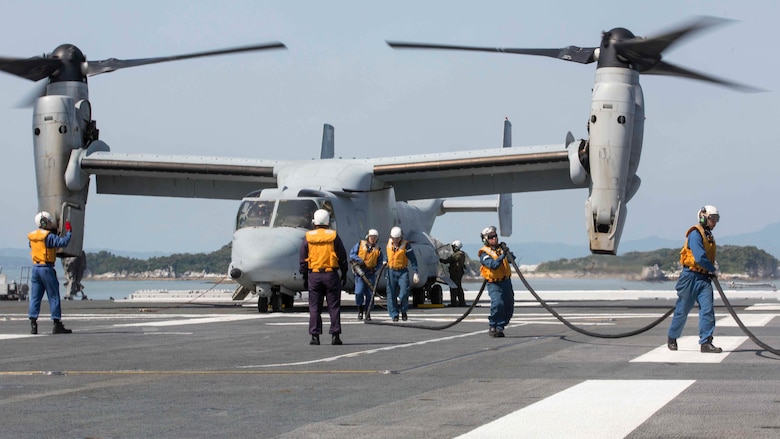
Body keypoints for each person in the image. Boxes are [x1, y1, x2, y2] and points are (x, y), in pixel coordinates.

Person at [667, 205, 723, 353]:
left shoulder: (708, 235)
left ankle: (705, 342)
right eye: (713, 219)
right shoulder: (695, 234)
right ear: (704, 217)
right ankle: (672, 336)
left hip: (704, 279)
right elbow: (699, 257)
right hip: (690, 277)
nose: (714, 222)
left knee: (707, 310)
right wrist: (712, 268)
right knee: (682, 310)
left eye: (717, 219)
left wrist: (709, 270)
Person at [299, 209, 348, 346]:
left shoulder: (308, 237)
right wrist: (344, 272)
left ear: (314, 222)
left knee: (314, 307)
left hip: (314, 274)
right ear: (328, 222)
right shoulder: (333, 236)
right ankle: (335, 335)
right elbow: (342, 256)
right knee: (334, 306)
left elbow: (303, 257)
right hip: (331, 274)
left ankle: (315, 336)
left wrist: (304, 275)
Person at [27, 211, 73, 335]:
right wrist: (69, 232)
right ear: (44, 222)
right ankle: (57, 324)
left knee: (35, 297)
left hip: (36, 268)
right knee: (53, 296)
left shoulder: (32, 236)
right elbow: (62, 243)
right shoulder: (49, 236)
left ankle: (33, 324)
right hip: (46, 268)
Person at [478, 226, 514, 337]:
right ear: (485, 239)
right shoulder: (484, 253)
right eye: (491, 237)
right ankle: (494, 325)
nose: (494, 239)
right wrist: (503, 255)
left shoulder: (501, 249)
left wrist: (507, 253)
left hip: (506, 282)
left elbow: (511, 259)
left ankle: (500, 327)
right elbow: (492, 265)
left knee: (509, 306)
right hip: (494, 283)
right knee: (498, 303)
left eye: (495, 236)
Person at [349, 229, 384, 320]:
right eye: (371, 237)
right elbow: (352, 254)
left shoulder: (378, 250)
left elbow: (380, 262)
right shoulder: (360, 245)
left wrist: (375, 269)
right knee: (359, 292)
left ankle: (367, 313)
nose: (373, 239)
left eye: (375, 238)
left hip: (371, 273)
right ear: (368, 237)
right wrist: (360, 261)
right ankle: (360, 310)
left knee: (370, 294)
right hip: (360, 272)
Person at [385, 226, 419, 322]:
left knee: (404, 292)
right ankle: (394, 314)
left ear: (400, 238)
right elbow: (387, 255)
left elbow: (413, 259)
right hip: (391, 271)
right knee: (391, 294)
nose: (395, 240)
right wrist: (384, 261)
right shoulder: (389, 244)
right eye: (394, 238)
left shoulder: (406, 246)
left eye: (397, 238)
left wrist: (416, 272)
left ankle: (404, 310)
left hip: (402, 271)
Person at [440, 240, 467, 307]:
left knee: (453, 288)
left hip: (455, 274)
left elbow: (447, 261)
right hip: (459, 273)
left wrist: (439, 259)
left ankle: (454, 302)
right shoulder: (462, 254)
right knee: (459, 288)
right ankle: (462, 302)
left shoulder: (456, 255)